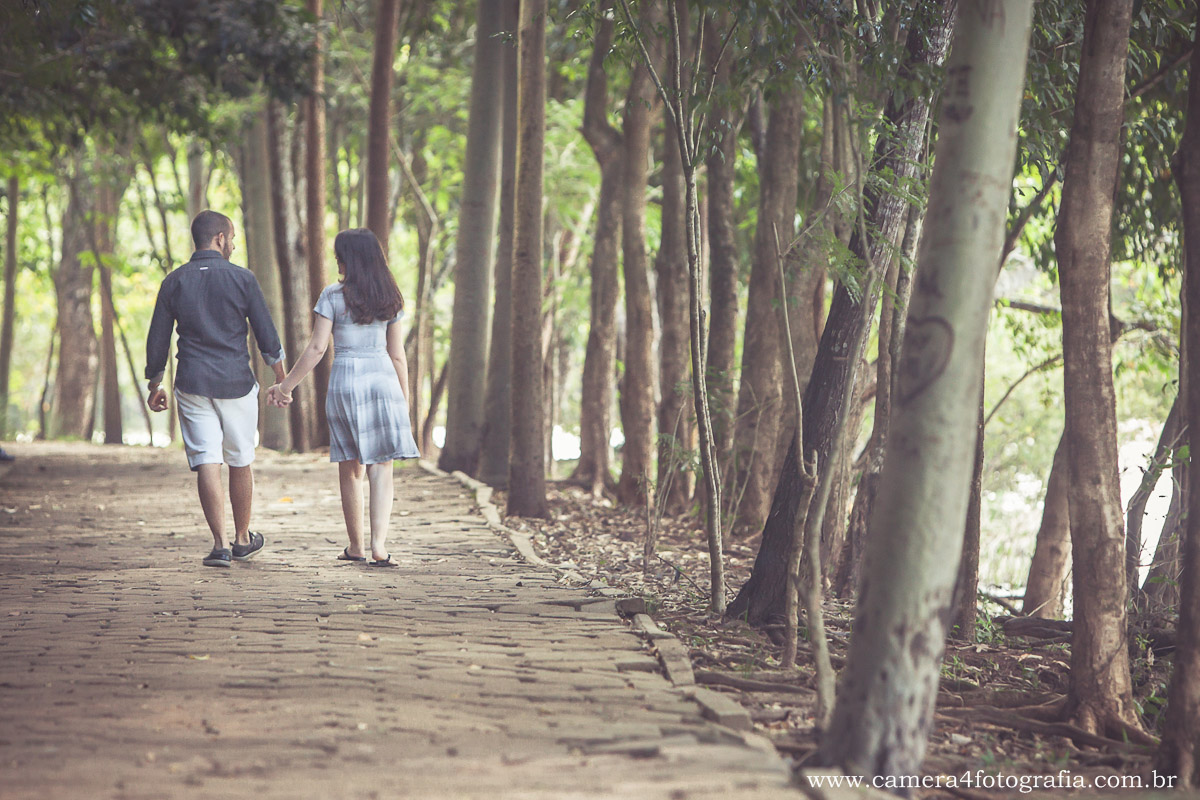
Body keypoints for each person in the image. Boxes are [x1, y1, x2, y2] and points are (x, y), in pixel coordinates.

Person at [267, 228, 419, 567]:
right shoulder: (391, 297)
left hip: (347, 379)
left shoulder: (332, 296)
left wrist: (286, 386)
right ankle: (379, 546)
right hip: (383, 380)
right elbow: (397, 355)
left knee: (351, 466)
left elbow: (318, 348)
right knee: (382, 466)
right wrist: (403, 401)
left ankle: (356, 546)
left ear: (345, 260)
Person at [145, 210, 286, 568]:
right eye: (232, 237)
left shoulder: (174, 281)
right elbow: (266, 333)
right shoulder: (243, 278)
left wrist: (155, 383)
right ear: (220, 238)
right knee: (240, 459)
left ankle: (220, 544)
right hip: (236, 382)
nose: (234, 243)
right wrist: (281, 378)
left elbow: (158, 337)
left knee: (207, 459)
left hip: (192, 382)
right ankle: (242, 538)